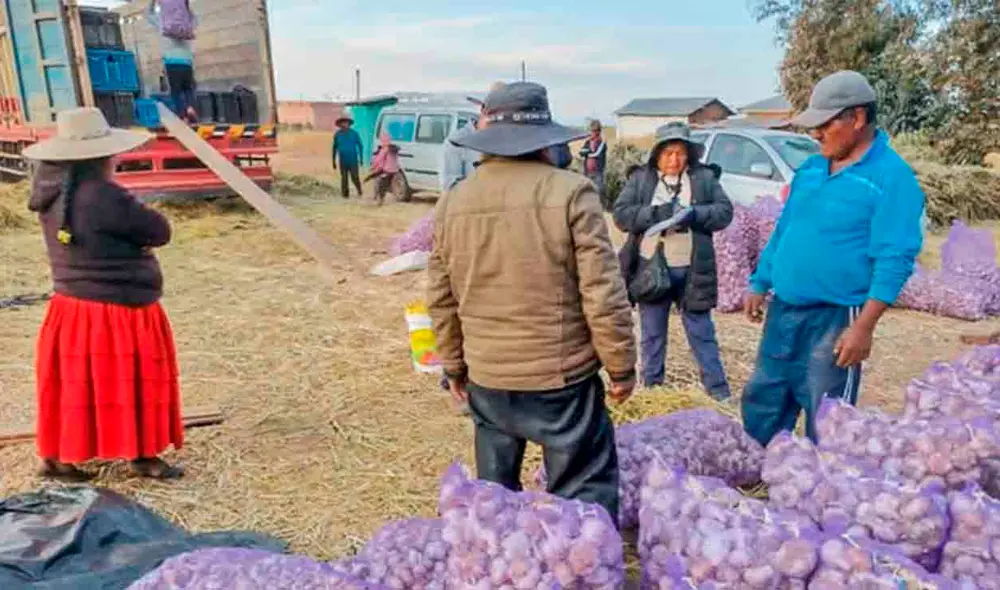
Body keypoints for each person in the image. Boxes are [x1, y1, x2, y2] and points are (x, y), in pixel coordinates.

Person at [428, 82, 636, 522]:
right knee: (581, 500)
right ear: (544, 139)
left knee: (494, 501)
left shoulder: (454, 201)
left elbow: (441, 298)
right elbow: (602, 292)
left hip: (488, 378)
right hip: (559, 380)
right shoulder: (571, 192)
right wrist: (620, 365)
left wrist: (454, 367)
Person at [741, 70, 925, 446]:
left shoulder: (893, 178)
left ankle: (815, 491)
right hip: (784, 309)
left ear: (856, 119)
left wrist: (864, 327)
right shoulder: (811, 168)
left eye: (824, 125)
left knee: (826, 416)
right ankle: (754, 481)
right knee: (764, 398)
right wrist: (760, 282)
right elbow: (786, 228)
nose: (816, 134)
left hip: (837, 316)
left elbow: (895, 257)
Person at [24, 108, 185, 482]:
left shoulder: (49, 194)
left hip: (71, 307)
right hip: (118, 308)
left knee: (77, 387)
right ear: (101, 156)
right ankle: (142, 455)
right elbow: (159, 231)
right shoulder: (104, 196)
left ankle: (59, 459)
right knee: (137, 381)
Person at [613, 122, 734, 401]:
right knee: (652, 335)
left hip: (693, 270)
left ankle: (719, 393)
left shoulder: (703, 179)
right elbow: (621, 215)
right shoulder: (642, 180)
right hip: (651, 269)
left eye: (680, 153)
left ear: (689, 155)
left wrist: (693, 214)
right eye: (668, 153)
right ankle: (653, 392)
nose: (674, 160)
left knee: (701, 333)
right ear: (657, 155)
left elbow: (724, 212)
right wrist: (657, 214)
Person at [438, 81, 506, 192]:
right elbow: (449, 187)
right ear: (482, 110)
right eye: (495, 113)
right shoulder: (457, 142)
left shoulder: (508, 141)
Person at [147, 0, 198, 121]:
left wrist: (153, 2)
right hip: (187, 63)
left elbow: (149, 14)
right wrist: (186, 7)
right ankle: (190, 107)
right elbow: (195, 19)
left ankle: (183, 115)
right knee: (188, 89)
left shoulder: (162, 21)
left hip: (171, 62)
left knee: (176, 92)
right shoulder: (186, 24)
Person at [365, 132, 403, 205]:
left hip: (387, 170)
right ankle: (379, 197)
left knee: (381, 185)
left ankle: (379, 199)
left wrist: (373, 167)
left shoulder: (385, 149)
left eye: (384, 140)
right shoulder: (393, 148)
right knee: (382, 183)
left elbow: (378, 159)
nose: (383, 141)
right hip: (393, 170)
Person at [332, 116, 364, 198]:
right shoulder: (337, 135)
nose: (344, 124)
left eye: (346, 122)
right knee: (344, 179)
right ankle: (345, 195)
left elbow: (360, 145)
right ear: (339, 124)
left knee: (354, 177)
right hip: (342, 161)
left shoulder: (354, 133)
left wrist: (361, 159)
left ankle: (359, 190)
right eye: (342, 123)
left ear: (349, 124)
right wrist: (333, 161)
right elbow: (334, 148)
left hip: (353, 160)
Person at [579, 120, 608, 203]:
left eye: (596, 131)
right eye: (592, 131)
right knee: (587, 194)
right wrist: (587, 152)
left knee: (598, 193)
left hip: (597, 172)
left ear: (599, 131)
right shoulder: (587, 142)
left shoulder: (602, 143)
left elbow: (596, 154)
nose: (594, 133)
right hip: (587, 172)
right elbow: (581, 152)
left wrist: (587, 153)